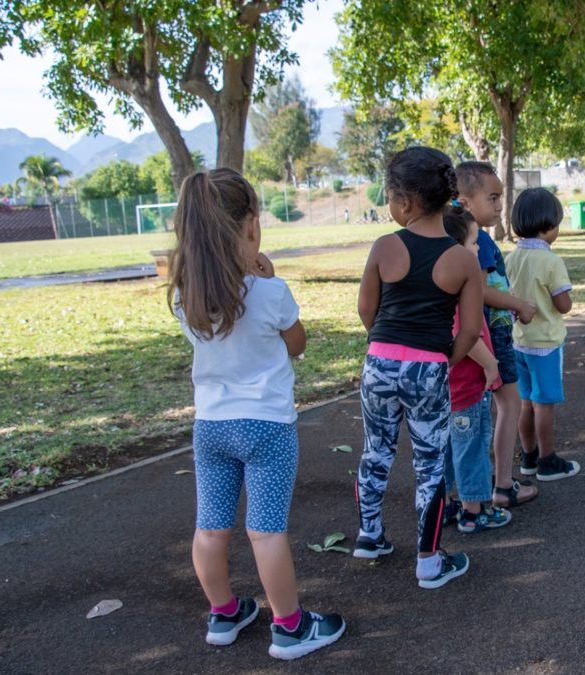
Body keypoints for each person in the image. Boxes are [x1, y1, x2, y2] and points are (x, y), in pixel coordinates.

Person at [168, 168, 345, 660]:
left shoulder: (186, 297)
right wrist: (267, 280)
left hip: (211, 427)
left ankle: (223, 613)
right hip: (266, 427)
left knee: (211, 526)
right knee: (265, 530)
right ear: (250, 226)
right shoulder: (270, 292)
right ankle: (289, 627)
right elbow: (298, 344)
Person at [353, 147, 484, 589]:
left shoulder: (384, 246)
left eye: (389, 196)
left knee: (377, 450)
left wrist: (388, 346)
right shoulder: (464, 259)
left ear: (405, 202)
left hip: (379, 364)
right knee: (429, 465)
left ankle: (370, 534)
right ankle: (428, 561)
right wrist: (443, 358)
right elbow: (468, 331)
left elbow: (366, 309)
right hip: (429, 368)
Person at [455, 161, 541, 507]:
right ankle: (502, 485)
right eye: (492, 198)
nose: (499, 206)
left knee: (489, 410)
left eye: (500, 198)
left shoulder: (476, 240)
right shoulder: (475, 243)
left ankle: (481, 487)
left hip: (487, 338)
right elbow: (481, 290)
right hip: (490, 338)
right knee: (509, 404)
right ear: (464, 202)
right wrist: (518, 303)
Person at [440, 209, 513, 532]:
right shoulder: (458, 297)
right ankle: (473, 510)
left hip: (447, 390)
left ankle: (441, 505)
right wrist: (490, 363)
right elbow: (465, 337)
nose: (479, 249)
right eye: (472, 243)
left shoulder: (440, 290)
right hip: (466, 389)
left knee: (444, 449)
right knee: (471, 448)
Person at [505, 188, 580, 481]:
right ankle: (548, 461)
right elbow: (563, 305)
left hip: (519, 342)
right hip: (546, 344)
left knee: (526, 402)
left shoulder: (511, 258)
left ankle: (529, 457)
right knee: (544, 404)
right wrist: (565, 300)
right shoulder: (551, 261)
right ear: (548, 226)